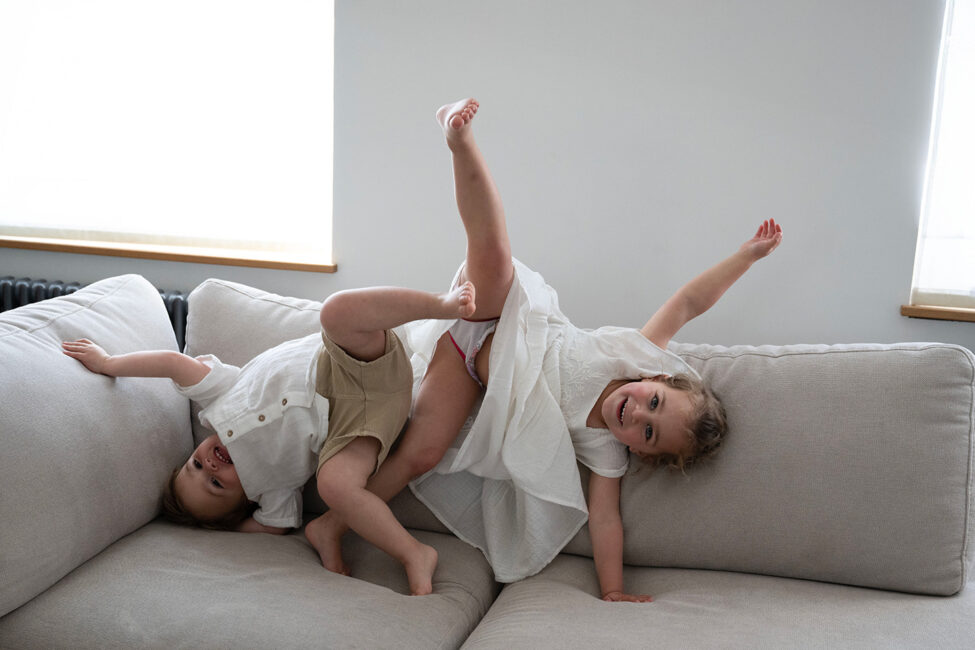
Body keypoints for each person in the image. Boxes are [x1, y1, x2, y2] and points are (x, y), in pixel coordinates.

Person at [307, 98, 783, 602]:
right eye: (655, 403)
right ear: (659, 379)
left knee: (419, 456)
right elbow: (688, 303)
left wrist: (614, 589)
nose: (638, 413)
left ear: (644, 453)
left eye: (648, 432)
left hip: (469, 369)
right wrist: (745, 258)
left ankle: (333, 525)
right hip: (505, 313)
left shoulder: (606, 454)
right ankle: (459, 141)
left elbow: (605, 520)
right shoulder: (637, 354)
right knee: (491, 256)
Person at [61, 279, 477, 596]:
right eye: (216, 483)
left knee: (335, 312)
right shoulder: (272, 490)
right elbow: (270, 528)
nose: (210, 464)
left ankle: (440, 304)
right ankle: (412, 552)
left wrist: (109, 362)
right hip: (361, 421)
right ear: (245, 500)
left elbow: (171, 362)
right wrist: (227, 530)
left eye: (196, 464)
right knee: (334, 484)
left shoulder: (217, 399)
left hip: (347, 364)